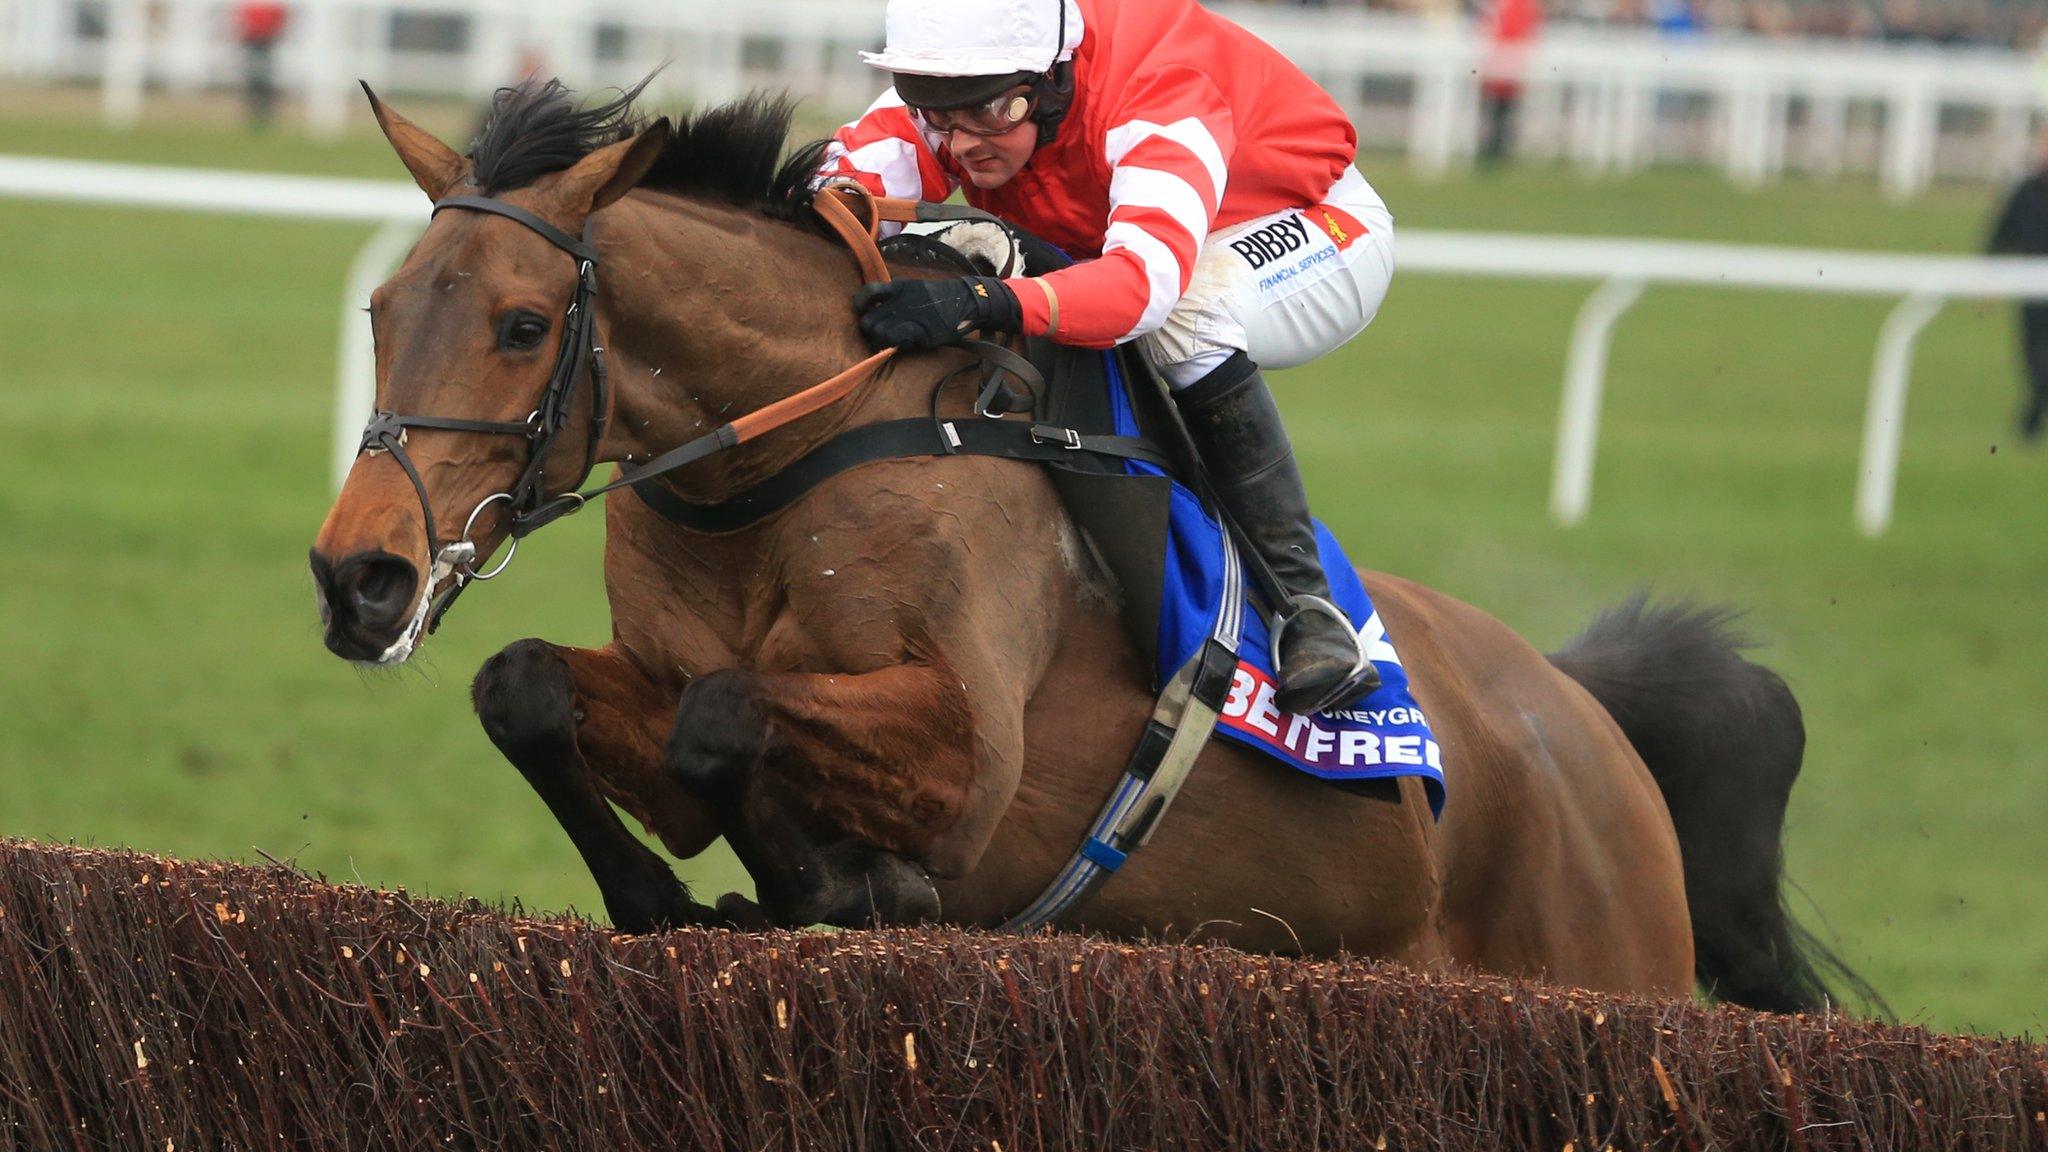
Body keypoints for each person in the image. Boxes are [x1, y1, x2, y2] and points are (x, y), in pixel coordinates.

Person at [821, 0, 1395, 715]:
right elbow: (836, 195)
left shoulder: (1158, 88)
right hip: (1139, 239)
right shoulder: (967, 83)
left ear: (1052, 80)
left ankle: (1307, 607)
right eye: (937, 114)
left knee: (1188, 317)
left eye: (989, 115)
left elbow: (1141, 291)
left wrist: (987, 300)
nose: (962, 142)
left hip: (1312, 224)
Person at [1988, 133, 2048, 443]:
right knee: (2033, 357)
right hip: (2032, 293)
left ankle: (2032, 421)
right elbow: (2000, 236)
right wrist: (1988, 280)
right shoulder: (2026, 191)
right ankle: (2034, 415)